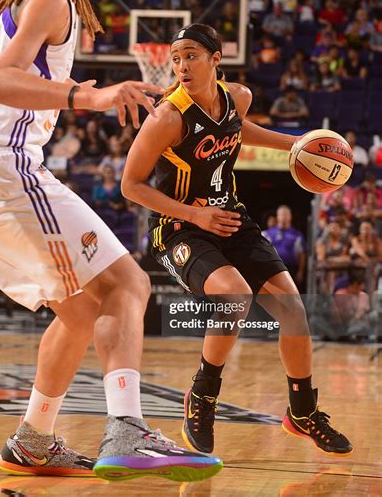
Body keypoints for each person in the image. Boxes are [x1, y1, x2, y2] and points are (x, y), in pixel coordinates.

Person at [0, 0, 221, 483]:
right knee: (129, 285)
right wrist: (89, 98)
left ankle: (32, 439)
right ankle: (127, 429)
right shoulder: (54, 0)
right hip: (3, 166)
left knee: (81, 312)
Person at [122, 23, 352, 458]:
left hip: (229, 216)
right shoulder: (166, 117)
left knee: (294, 310)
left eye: (191, 55)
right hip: (178, 226)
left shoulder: (237, 98)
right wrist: (194, 214)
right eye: (175, 58)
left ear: (216, 58)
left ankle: (302, 413)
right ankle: (202, 396)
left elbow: (240, 129)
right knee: (234, 296)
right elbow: (131, 186)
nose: (181, 65)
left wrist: (298, 145)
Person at [263, 205, 306, 291]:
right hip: (272, 270)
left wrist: (300, 272)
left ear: (290, 216)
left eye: (286, 215)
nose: (284, 217)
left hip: (291, 270)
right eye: (281, 215)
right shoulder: (267, 234)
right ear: (277, 217)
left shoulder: (297, 235)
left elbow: (302, 255)